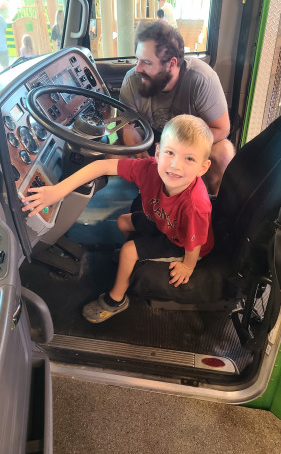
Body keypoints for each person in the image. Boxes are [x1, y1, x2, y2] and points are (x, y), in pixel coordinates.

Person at [21, 115, 214, 323]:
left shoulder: (196, 205)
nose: (176, 165)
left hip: (183, 243)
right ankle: (132, 260)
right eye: (170, 153)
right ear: (157, 152)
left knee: (129, 251)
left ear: (203, 168)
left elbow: (196, 242)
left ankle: (116, 300)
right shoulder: (149, 168)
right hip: (162, 222)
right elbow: (101, 167)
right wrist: (57, 191)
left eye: (189, 159)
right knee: (123, 221)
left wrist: (188, 266)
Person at [119, 21, 235, 195]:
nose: (137, 69)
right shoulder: (132, 80)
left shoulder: (202, 79)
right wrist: (146, 160)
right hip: (152, 137)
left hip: (190, 140)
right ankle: (149, 197)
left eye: (146, 63)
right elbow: (126, 127)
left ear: (172, 64)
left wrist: (177, 149)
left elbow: (222, 128)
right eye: (137, 59)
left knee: (223, 153)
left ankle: (215, 206)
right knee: (112, 152)